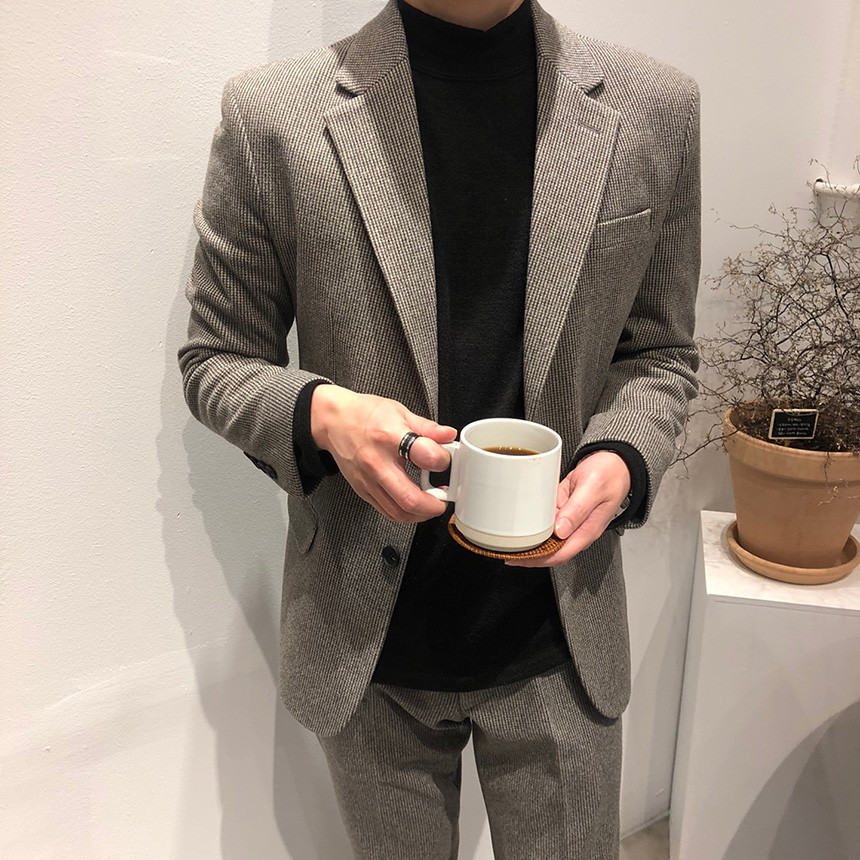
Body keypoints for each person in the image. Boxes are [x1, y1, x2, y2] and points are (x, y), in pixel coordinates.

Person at [178, 0, 701, 855]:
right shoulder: (271, 116)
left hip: (561, 632)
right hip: (365, 639)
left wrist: (625, 456)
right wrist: (322, 414)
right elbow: (216, 357)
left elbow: (660, 351)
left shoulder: (655, 107)